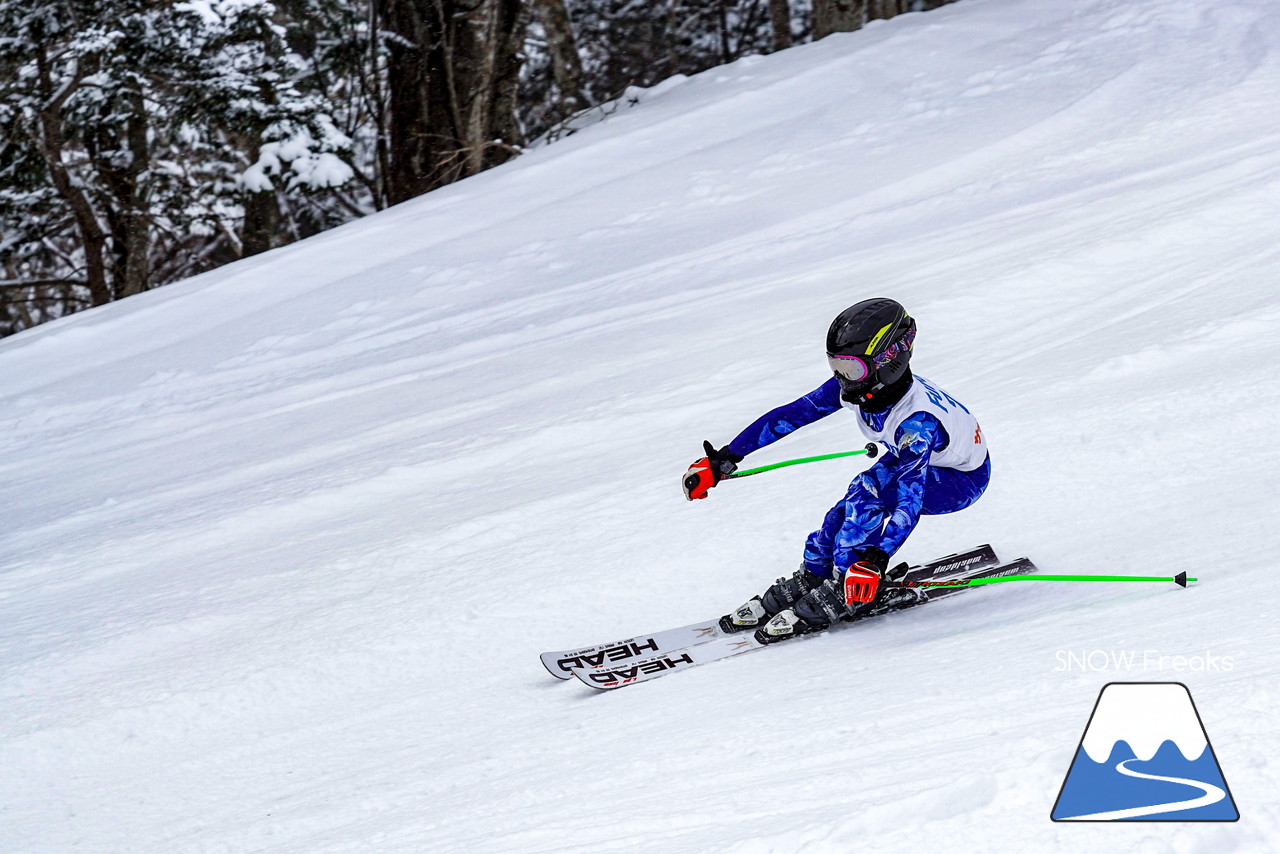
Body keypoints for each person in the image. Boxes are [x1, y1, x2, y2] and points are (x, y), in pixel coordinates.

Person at [682, 298, 990, 642]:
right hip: (927, 460)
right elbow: (791, 415)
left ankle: (849, 589)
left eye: (852, 369)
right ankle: (816, 574)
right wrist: (725, 458)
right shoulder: (866, 388)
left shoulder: (917, 426)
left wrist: (876, 559)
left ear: (888, 361)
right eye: (838, 366)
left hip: (960, 479)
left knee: (866, 496)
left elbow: (910, 503)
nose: (843, 379)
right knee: (848, 506)